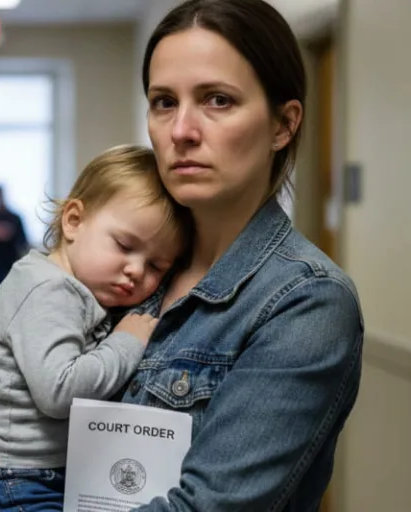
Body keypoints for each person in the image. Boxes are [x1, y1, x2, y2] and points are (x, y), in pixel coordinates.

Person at [114, 0, 364, 510]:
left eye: (218, 100)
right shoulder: (129, 271)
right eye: (164, 101)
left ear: (282, 125)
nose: (181, 130)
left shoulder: (306, 301)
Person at [0, 145, 192, 511]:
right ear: (73, 220)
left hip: (31, 474)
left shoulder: (78, 292)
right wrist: (125, 341)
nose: (136, 270)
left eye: (156, 266)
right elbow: (59, 391)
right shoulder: (48, 289)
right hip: (6, 478)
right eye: (124, 245)